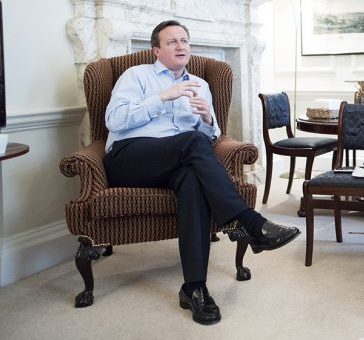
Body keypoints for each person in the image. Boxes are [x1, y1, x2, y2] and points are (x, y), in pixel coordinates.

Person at [103, 20, 300, 325]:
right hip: (129, 158)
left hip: (175, 163)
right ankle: (249, 221)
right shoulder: (136, 76)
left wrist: (208, 117)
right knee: (192, 143)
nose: (181, 46)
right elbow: (113, 120)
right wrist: (164, 97)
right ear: (156, 50)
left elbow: (209, 137)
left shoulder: (201, 85)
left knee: (193, 180)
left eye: (184, 40)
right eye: (172, 42)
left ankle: (194, 288)